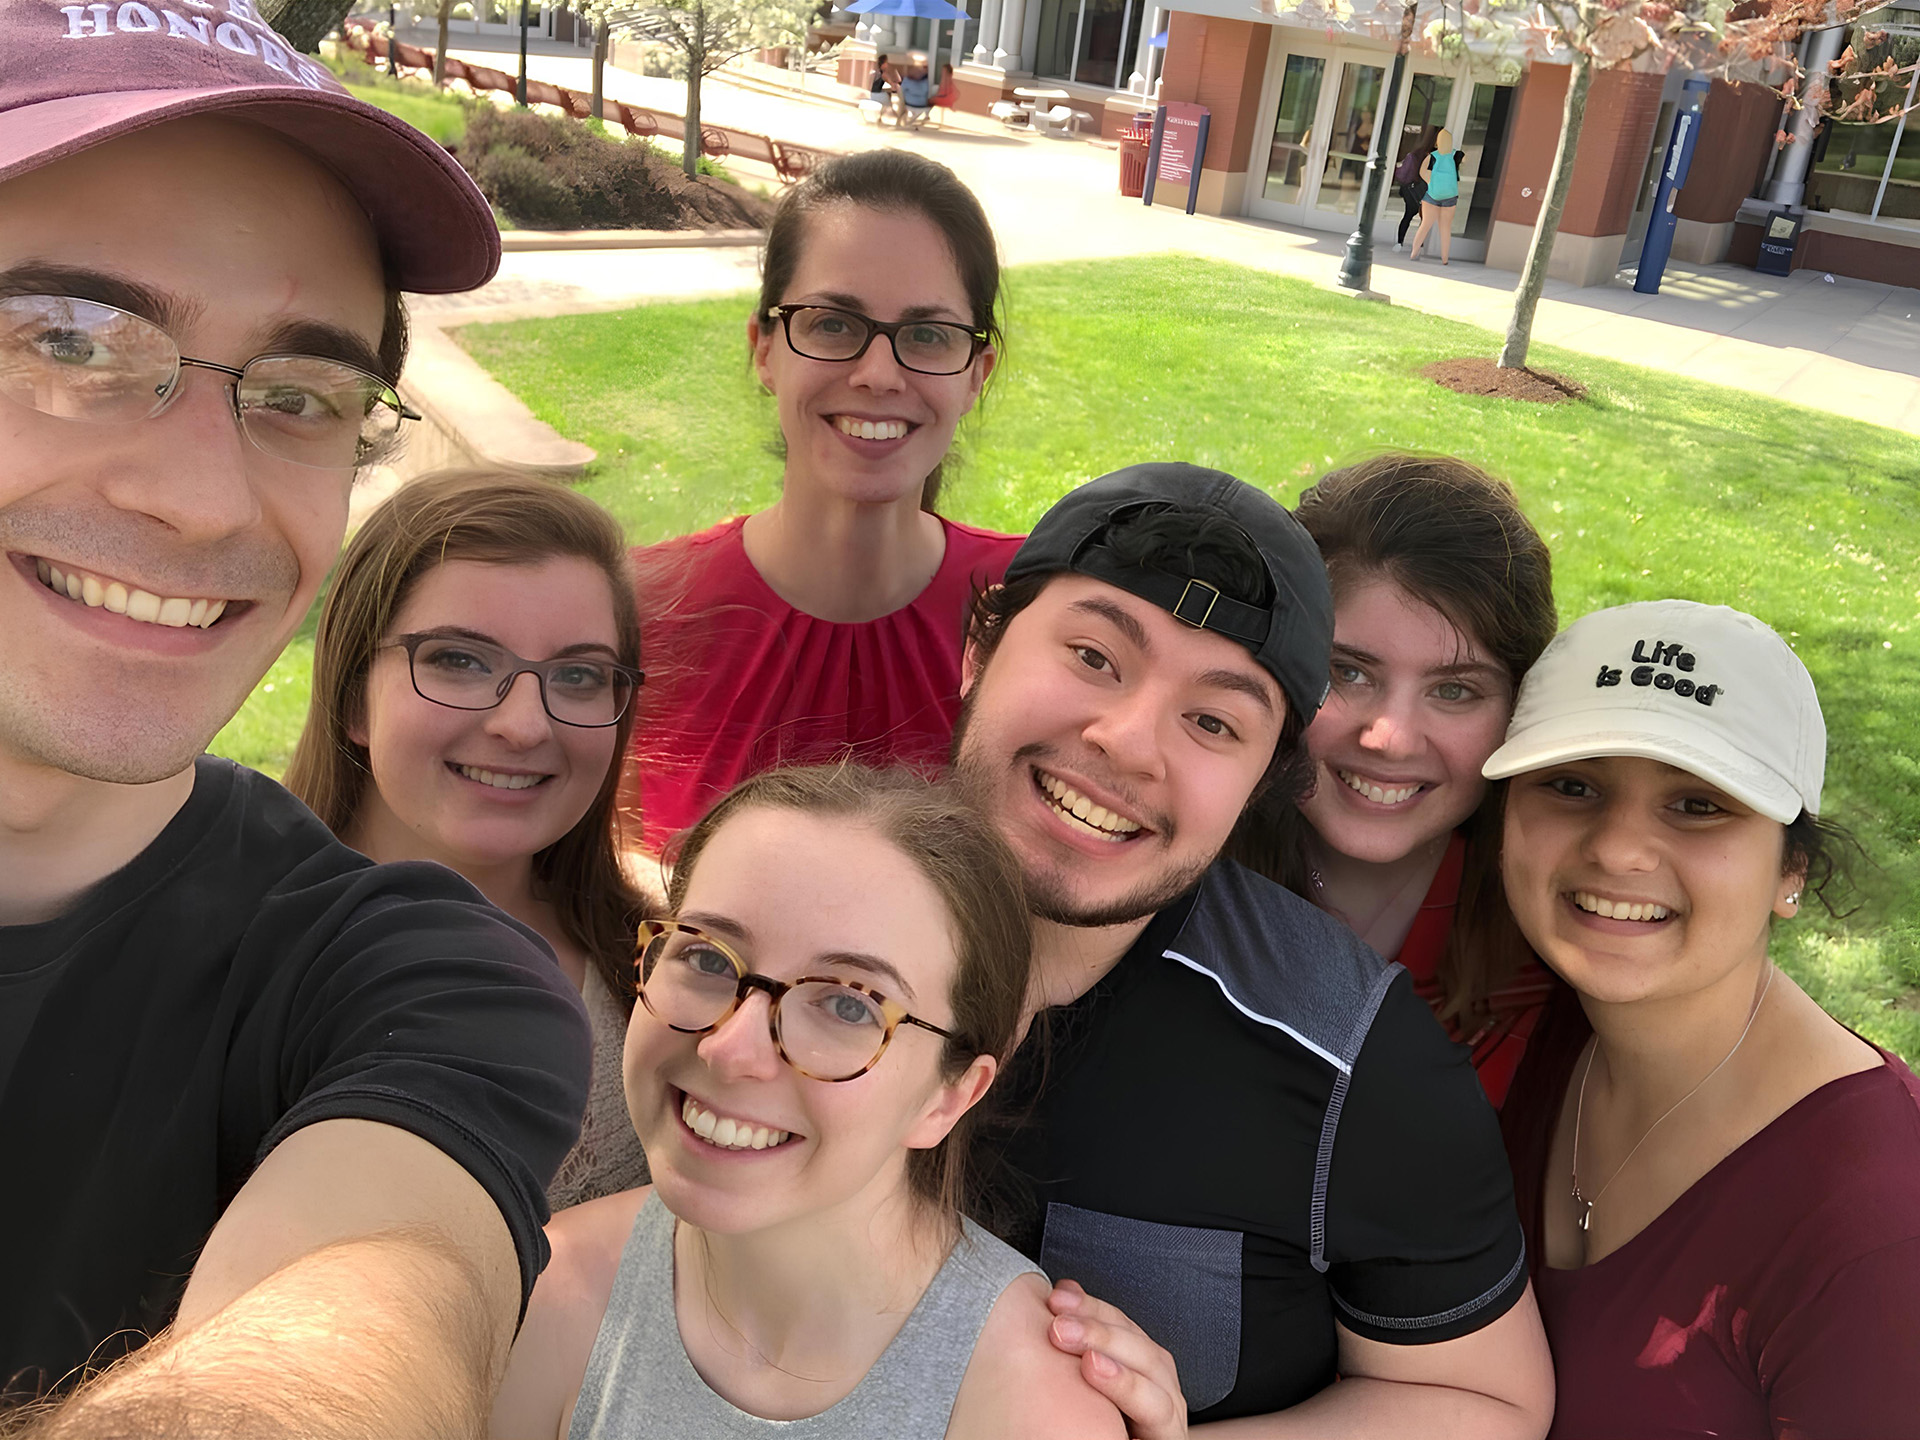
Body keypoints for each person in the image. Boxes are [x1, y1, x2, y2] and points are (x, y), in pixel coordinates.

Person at [0, 6, 593, 1434]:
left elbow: (362, 1325)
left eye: (305, 393)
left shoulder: (426, 994)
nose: (204, 499)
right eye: (72, 339)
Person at [951, 463, 1554, 1438]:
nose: (1127, 741)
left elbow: (1481, 1400)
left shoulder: (1361, 1062)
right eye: (1094, 657)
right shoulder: (789, 921)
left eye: (1213, 719)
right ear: (978, 650)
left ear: (1264, 776)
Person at [489, 764, 1125, 1439]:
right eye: (706, 959)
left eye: (849, 1005)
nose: (729, 1049)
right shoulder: (548, 1293)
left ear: (949, 1097)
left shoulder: (1033, 1406)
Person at [1490, 601, 1920, 1439]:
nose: (1617, 850)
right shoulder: (1541, 1022)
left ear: (1790, 869)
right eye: (1572, 785)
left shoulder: (1880, 1231)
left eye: (1697, 806)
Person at [620, 149, 1017, 857]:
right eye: (833, 323)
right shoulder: (640, 615)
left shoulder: (1028, 618)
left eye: (928, 336)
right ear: (766, 351)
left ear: (975, 376)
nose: (877, 374)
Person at [285, 471, 653, 1210]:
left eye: (578, 675)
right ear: (355, 694)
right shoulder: (226, 957)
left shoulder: (668, 958)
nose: (524, 724)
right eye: (459, 660)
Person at [1238, 455, 1558, 1106]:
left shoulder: (1556, 946)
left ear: (1519, 708)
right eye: (1349, 672)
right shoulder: (1170, 874)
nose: (1392, 736)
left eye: (1454, 690)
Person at [1409, 127, 1464, 264]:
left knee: (1425, 225)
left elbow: (1422, 172)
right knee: (1445, 228)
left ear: (1438, 142)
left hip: (1432, 194)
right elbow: (1468, 161)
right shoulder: (1457, 155)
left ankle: (1414, 253)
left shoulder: (1432, 156)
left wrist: (1430, 181)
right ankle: (1444, 258)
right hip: (1450, 196)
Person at [1392, 127, 1433, 250]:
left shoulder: (1414, 155)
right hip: (1424, 190)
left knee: (1408, 215)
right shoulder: (1433, 157)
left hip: (1411, 190)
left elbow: (1402, 174)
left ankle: (1399, 243)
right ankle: (1419, 245)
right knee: (1424, 219)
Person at [898, 54, 934, 129]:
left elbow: (902, 90)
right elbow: (928, 93)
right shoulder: (927, 82)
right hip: (922, 104)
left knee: (901, 100)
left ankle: (901, 119)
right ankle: (925, 116)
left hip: (909, 103)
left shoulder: (907, 79)